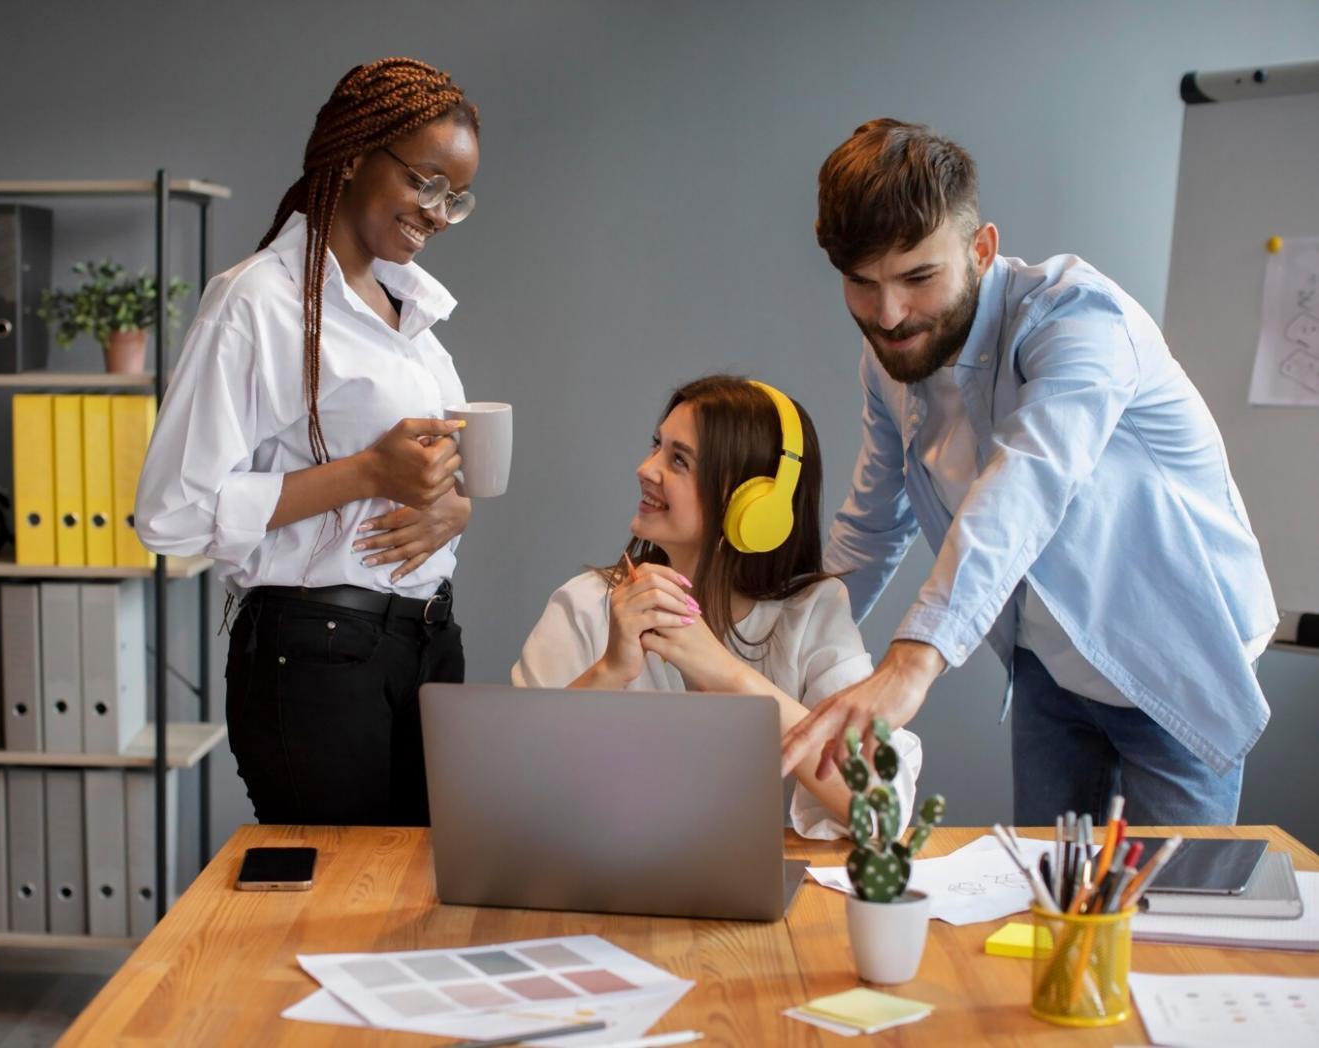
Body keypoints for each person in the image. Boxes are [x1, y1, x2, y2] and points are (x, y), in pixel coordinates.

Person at [780, 119, 1277, 827]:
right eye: (861, 284)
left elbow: (1026, 483)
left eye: (918, 277)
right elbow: (870, 525)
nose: (888, 315)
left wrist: (912, 660)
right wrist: (782, 645)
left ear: (981, 249)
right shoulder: (888, 360)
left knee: (1173, 917)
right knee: (1047, 898)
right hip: (1048, 657)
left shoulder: (1079, 319)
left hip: (1176, 648)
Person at [135, 58, 481, 827]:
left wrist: (453, 509)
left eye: (455, 199)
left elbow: (430, 472)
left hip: (426, 643)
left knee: (421, 897)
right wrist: (363, 473)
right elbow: (170, 516)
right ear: (353, 153)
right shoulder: (259, 301)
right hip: (317, 650)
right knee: (336, 901)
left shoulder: (410, 311)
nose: (436, 213)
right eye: (425, 184)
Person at [513, 375, 923, 836]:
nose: (646, 469)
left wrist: (726, 674)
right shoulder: (585, 605)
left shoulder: (815, 612)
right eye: (656, 446)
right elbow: (507, 791)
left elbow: (882, 808)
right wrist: (609, 671)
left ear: (755, 506)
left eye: (679, 460)